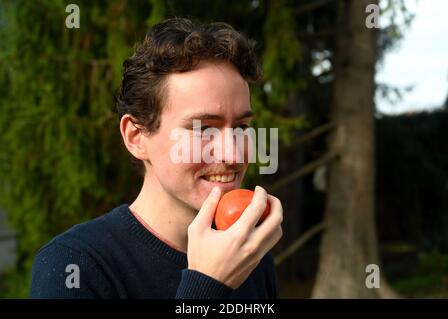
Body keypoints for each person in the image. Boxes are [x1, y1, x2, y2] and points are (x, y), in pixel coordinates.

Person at [29, 17, 283, 299]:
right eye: (203, 129)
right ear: (136, 137)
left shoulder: (247, 251)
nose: (232, 152)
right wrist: (206, 287)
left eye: (241, 128)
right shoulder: (75, 266)